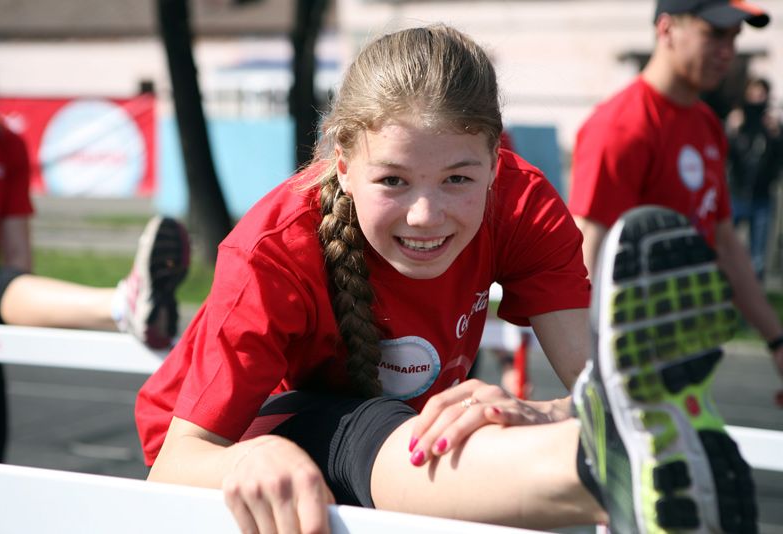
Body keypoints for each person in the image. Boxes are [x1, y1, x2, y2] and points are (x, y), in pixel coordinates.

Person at [137, 25, 756, 533]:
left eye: (458, 179)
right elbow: (173, 463)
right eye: (393, 180)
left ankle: (632, 470)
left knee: (468, 419)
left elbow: (600, 390)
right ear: (342, 164)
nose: (425, 216)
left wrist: (540, 411)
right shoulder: (274, 252)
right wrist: (248, 457)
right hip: (237, 448)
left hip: (397, 437)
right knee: (363, 430)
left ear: (495, 162)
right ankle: (604, 474)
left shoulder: (521, 207)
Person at [0, 37, 190, 463]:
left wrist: (12, 305)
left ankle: (128, 305)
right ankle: (123, 305)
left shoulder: (4, 143)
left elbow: (18, 259)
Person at [568, 0, 783, 390]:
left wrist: (777, 342)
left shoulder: (706, 124)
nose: (728, 52)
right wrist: (594, 374)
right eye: (714, 34)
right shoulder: (619, 126)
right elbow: (586, 254)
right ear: (666, 29)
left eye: (733, 38)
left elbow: (724, 244)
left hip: (688, 356)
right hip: (629, 368)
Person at [726, 77, 783, 279]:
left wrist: (776, 136)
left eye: (761, 94)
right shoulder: (738, 121)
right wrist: (732, 131)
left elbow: (778, 161)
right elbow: (725, 154)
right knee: (723, 249)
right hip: (736, 194)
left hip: (762, 198)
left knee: (757, 259)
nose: (757, 98)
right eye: (753, 93)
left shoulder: (771, 125)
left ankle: (753, 294)